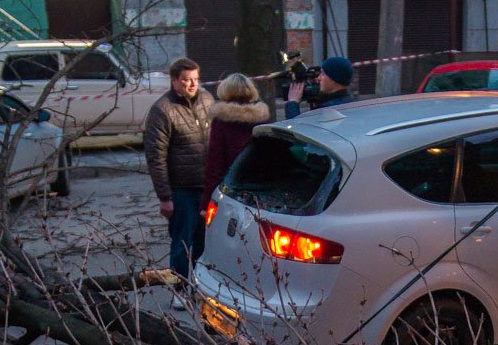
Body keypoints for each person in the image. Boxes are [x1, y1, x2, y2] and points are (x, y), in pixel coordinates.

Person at [143, 57, 214, 307]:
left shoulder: (207, 100)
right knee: (182, 242)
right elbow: (156, 157)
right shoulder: (162, 110)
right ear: (174, 81)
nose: (192, 85)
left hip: (208, 187)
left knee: (206, 242)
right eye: (186, 80)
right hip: (182, 188)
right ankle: (180, 290)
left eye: (195, 79)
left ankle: (203, 286)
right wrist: (165, 196)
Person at [203, 73, 270, 205]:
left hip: (232, 188)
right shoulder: (263, 118)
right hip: (260, 187)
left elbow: (215, 164)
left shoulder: (222, 121)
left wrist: (207, 201)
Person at [285, 56, 356, 120]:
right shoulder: (350, 102)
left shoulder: (328, 111)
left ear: (333, 79)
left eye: (323, 74)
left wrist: (292, 103)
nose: (318, 78)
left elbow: (298, 130)